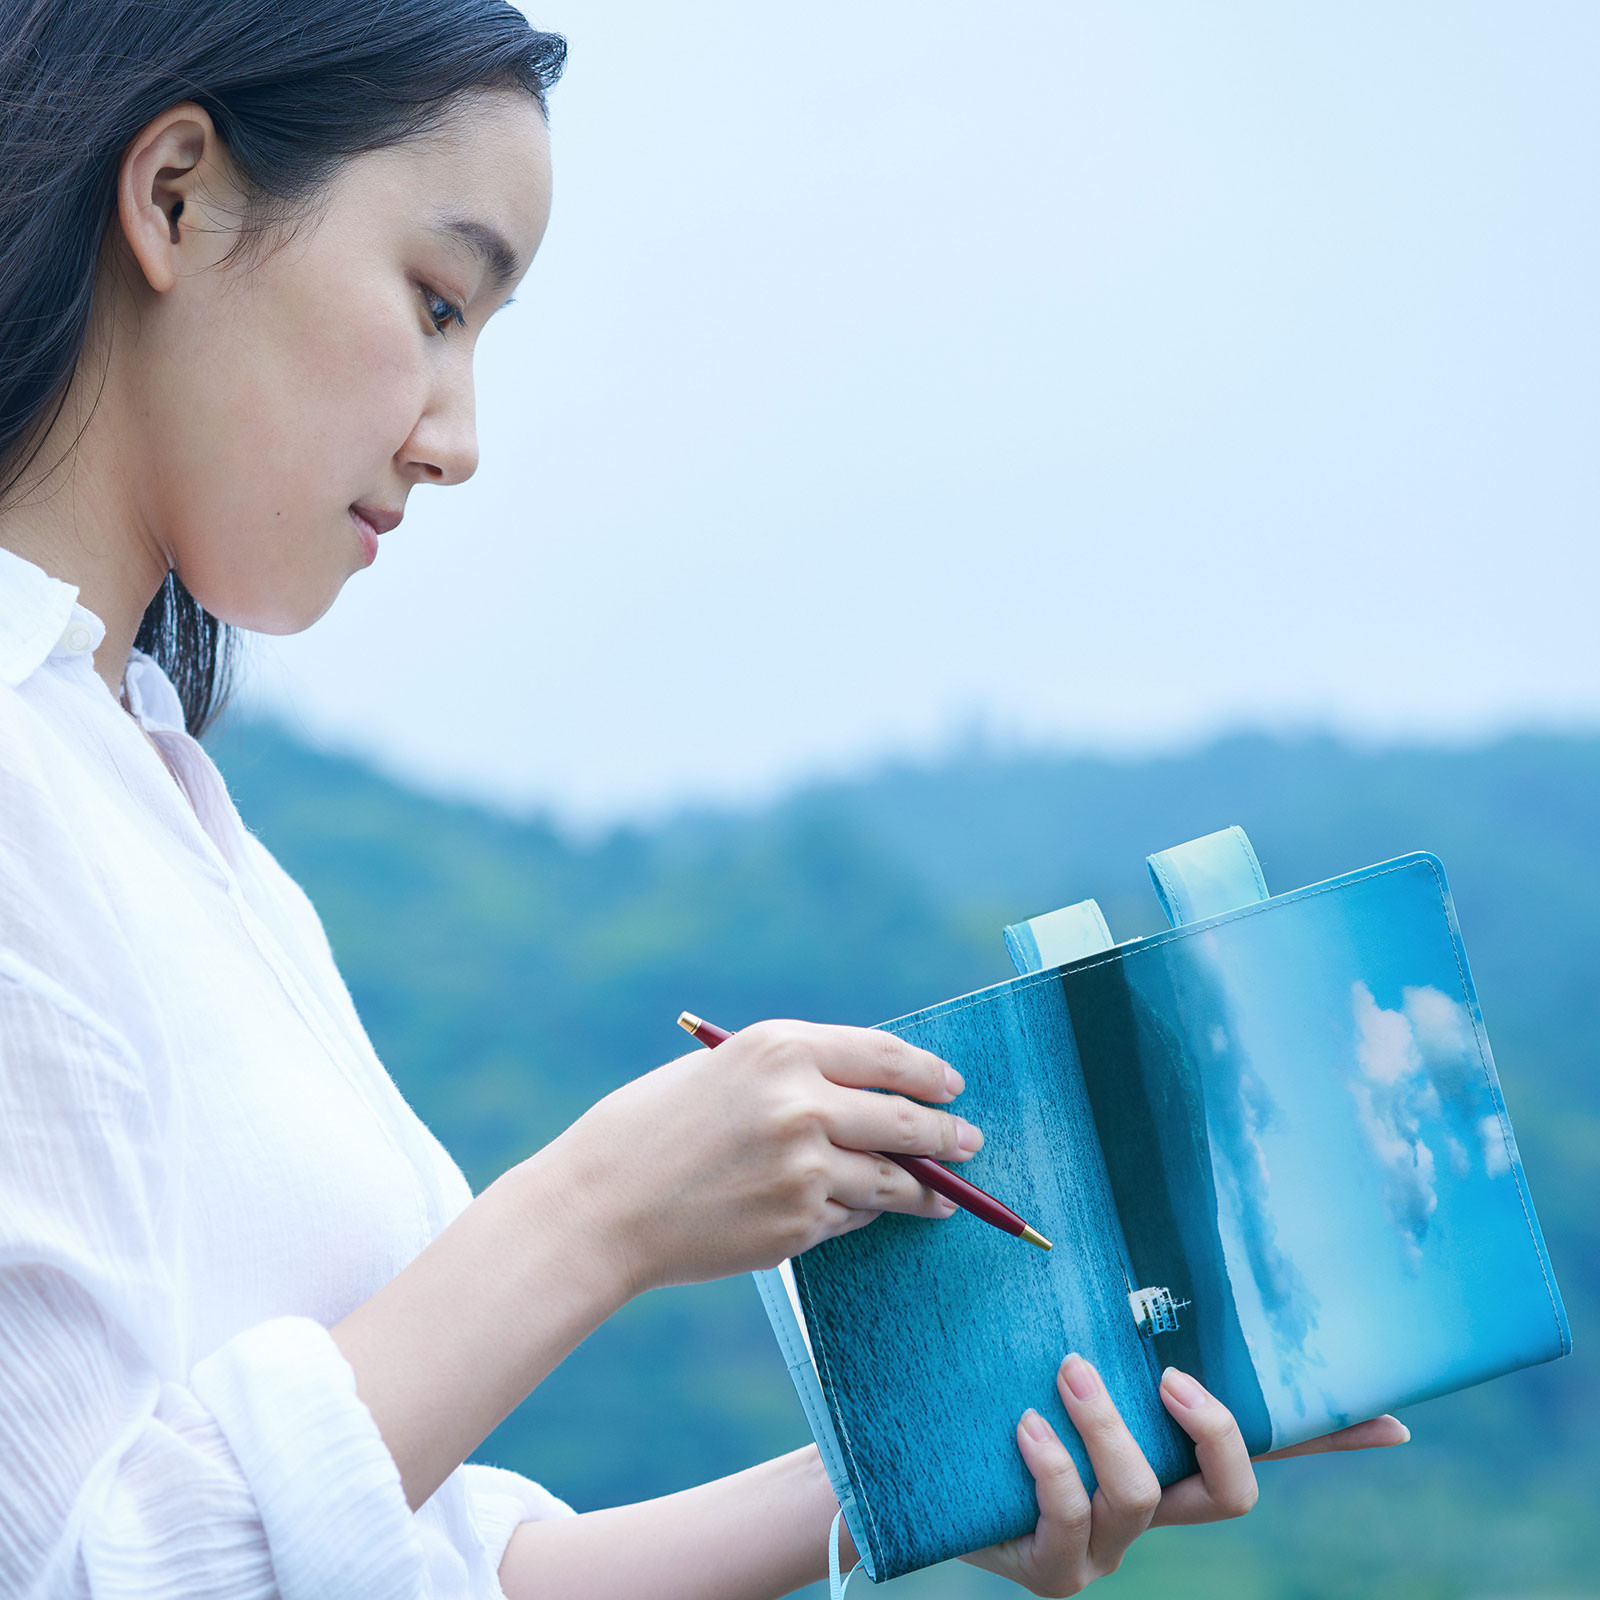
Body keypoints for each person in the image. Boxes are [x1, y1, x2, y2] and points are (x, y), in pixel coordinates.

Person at [0, 3, 1410, 1596]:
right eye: (438, 301)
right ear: (175, 195)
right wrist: (598, 1212)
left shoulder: (169, 807)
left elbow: (408, 1562)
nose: (459, 440)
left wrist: (921, 1466)